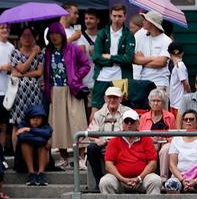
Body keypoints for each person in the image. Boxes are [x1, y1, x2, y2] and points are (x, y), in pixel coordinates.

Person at [43, 22, 90, 169]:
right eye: (51, 34)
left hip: (72, 89)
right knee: (58, 124)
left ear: (62, 34)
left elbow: (86, 64)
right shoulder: (48, 51)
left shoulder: (73, 48)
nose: (54, 37)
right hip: (55, 90)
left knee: (78, 121)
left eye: (57, 33)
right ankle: (63, 157)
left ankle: (81, 157)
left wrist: (76, 78)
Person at [99, 109, 161, 194]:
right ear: (122, 124)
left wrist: (139, 178)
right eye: (126, 121)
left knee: (155, 180)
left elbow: (152, 163)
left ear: (138, 123)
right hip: (119, 180)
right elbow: (108, 165)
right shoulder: (114, 141)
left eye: (132, 122)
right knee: (105, 182)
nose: (129, 124)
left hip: (142, 179)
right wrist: (122, 179)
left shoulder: (147, 140)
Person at [92, 3, 135, 113]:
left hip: (121, 78)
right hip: (102, 77)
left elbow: (128, 59)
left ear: (125, 17)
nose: (116, 19)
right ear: (110, 16)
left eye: (120, 16)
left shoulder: (129, 35)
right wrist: (115, 61)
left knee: (122, 110)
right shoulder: (102, 33)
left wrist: (110, 57)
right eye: (114, 16)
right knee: (96, 109)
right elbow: (96, 57)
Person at [86, 86, 130, 189]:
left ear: (120, 99)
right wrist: (96, 140)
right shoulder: (98, 114)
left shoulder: (128, 112)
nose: (112, 100)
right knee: (91, 148)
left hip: (122, 144)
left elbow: (129, 132)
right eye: (110, 97)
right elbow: (90, 133)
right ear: (105, 99)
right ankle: (99, 182)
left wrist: (107, 140)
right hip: (103, 147)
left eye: (115, 97)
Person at [9, 27, 43, 135]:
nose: (27, 38)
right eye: (24, 35)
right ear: (20, 38)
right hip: (19, 92)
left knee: (36, 122)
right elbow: (22, 68)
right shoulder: (15, 53)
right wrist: (33, 54)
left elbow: (39, 72)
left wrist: (22, 75)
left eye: (29, 35)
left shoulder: (40, 54)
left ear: (34, 37)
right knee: (17, 123)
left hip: (35, 92)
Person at [138, 88, 176, 182]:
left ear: (163, 103)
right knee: (151, 147)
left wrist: (164, 139)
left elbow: (174, 137)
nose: (155, 103)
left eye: (158, 101)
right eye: (153, 101)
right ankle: (147, 177)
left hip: (165, 143)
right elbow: (139, 136)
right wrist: (150, 139)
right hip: (148, 143)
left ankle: (163, 179)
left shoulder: (170, 117)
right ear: (149, 103)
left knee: (165, 149)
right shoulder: (143, 117)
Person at [14, 104, 53, 186]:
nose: (35, 120)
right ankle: (31, 173)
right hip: (24, 162)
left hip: (42, 159)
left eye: (38, 118)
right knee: (26, 143)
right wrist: (43, 139)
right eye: (33, 118)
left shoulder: (45, 126)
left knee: (43, 146)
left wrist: (29, 130)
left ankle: (41, 174)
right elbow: (23, 137)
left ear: (42, 119)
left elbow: (47, 133)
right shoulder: (22, 124)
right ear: (28, 118)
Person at [133, 11, 172, 92]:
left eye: (146, 20)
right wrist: (153, 59)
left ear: (152, 23)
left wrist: (142, 61)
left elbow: (161, 62)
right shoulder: (142, 38)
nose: (143, 22)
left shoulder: (166, 40)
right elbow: (135, 59)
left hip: (160, 83)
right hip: (143, 82)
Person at [165, 110, 197, 193]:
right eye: (185, 119)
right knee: (171, 185)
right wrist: (182, 180)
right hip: (179, 177)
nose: (188, 121)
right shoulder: (176, 139)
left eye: (191, 119)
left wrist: (195, 181)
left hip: (196, 178)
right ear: (182, 122)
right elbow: (172, 165)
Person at [167, 42, 191, 118]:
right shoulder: (178, 65)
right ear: (182, 53)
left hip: (179, 104)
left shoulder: (179, 65)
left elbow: (185, 84)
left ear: (169, 53)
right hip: (175, 103)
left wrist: (190, 95)